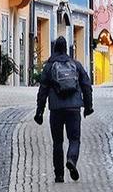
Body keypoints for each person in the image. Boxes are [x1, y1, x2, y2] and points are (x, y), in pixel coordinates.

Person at [33, 35, 95, 183]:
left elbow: (43, 91)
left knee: (57, 142)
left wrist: (39, 111)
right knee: (74, 139)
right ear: (66, 48)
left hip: (56, 109)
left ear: (54, 48)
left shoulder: (49, 66)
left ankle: (59, 175)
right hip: (74, 108)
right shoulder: (76, 64)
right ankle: (71, 159)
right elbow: (86, 86)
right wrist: (88, 106)